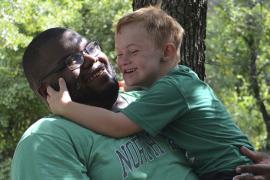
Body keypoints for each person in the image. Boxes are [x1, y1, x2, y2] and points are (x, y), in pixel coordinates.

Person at [46, 6, 254, 180]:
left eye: (133, 51)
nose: (123, 60)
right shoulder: (180, 80)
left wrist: (66, 107)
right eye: (119, 53)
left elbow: (118, 126)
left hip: (232, 172)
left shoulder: (172, 89)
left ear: (167, 52)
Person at [10, 27, 199, 180]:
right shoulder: (46, 139)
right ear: (46, 91)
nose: (92, 59)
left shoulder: (149, 100)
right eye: (72, 60)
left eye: (90, 49)